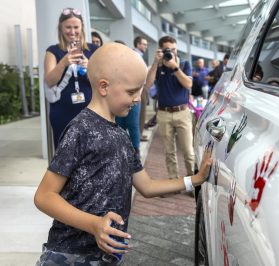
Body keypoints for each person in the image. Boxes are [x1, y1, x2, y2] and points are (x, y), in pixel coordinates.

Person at [34, 42, 213, 265]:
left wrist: (193, 180)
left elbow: (146, 186)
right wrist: (94, 224)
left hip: (107, 254)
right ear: (103, 87)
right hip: (69, 255)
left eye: (140, 90)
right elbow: (44, 196)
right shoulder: (80, 130)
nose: (138, 98)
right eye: (131, 91)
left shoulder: (122, 136)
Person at [44, 8, 98, 149]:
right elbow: (49, 81)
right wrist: (63, 62)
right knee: (64, 159)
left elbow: (103, 81)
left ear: (82, 28)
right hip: (62, 113)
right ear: (61, 28)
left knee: (91, 157)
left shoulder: (93, 50)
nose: (72, 32)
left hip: (91, 112)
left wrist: (89, 68)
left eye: (76, 27)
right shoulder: (53, 51)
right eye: (68, 27)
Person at [145, 35, 195, 181]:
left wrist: (175, 67)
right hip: (164, 113)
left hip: (182, 112)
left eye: (174, 49)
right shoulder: (158, 65)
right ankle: (173, 182)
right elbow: (147, 85)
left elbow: (188, 84)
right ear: (160, 50)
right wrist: (155, 62)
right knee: (169, 152)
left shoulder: (184, 64)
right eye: (168, 50)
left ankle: (192, 183)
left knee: (188, 151)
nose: (171, 53)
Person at [133, 36, 149, 142]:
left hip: (140, 87)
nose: (146, 46)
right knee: (141, 112)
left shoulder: (138, 55)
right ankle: (138, 135)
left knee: (141, 112)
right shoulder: (136, 55)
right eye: (144, 44)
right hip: (139, 87)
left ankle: (139, 133)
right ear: (138, 44)